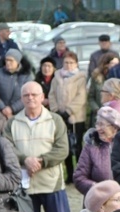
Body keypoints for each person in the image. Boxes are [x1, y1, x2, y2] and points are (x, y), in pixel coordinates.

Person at [4, 81, 70, 212]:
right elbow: (7, 148)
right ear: (21, 98)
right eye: (26, 95)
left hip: (52, 184)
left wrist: (40, 162)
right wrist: (25, 159)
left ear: (43, 97)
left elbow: (62, 149)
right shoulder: (12, 123)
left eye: (34, 94)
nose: (30, 98)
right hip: (25, 189)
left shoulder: (55, 120)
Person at [49, 50, 87, 182]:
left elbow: (81, 97)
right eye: (66, 62)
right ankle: (69, 174)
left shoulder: (80, 78)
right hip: (60, 117)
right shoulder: (57, 77)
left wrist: (69, 111)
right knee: (64, 146)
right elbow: (52, 95)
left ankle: (81, 174)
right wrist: (56, 111)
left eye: (71, 62)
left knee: (77, 147)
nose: (68, 65)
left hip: (76, 117)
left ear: (76, 63)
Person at [73, 107, 120, 196]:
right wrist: (96, 188)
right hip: (98, 200)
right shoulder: (91, 146)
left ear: (115, 128)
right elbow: (79, 177)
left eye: (102, 125)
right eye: (97, 124)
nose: (98, 129)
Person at [0, 48, 33, 121]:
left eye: (11, 60)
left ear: (18, 62)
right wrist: (3, 107)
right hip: (0, 111)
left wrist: (12, 108)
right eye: (6, 60)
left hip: (21, 112)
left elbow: (28, 95)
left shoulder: (26, 75)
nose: (8, 63)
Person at [88, 53, 120, 120]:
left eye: (117, 63)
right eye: (113, 63)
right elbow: (91, 97)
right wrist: (97, 110)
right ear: (106, 64)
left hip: (115, 115)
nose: (115, 66)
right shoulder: (96, 77)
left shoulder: (119, 78)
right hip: (99, 115)